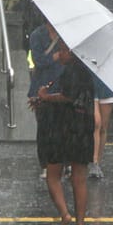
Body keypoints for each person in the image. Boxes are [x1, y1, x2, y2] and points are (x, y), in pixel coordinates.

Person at [37, 39, 95, 225]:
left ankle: (64, 215)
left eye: (62, 50)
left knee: (53, 174)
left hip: (63, 128)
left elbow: (67, 97)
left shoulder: (71, 71)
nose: (59, 55)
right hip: (83, 128)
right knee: (79, 179)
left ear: (73, 52)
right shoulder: (87, 71)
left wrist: (45, 97)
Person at [27, 21, 65, 180]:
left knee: (63, 128)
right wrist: (54, 56)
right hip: (41, 87)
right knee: (44, 129)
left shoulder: (66, 34)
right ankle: (45, 164)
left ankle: (63, 163)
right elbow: (38, 60)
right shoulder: (37, 35)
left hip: (63, 85)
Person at [89, 76, 113, 178]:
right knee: (96, 123)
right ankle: (94, 160)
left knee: (103, 128)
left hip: (106, 83)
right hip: (90, 81)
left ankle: (97, 162)